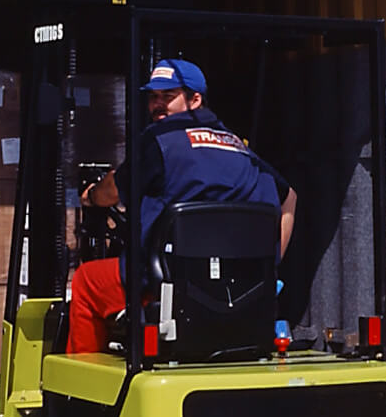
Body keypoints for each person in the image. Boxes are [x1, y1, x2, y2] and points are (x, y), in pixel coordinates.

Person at [67, 58, 297, 354]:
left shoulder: (160, 141)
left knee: (86, 282)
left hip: (167, 286)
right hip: (237, 290)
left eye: (168, 96)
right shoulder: (239, 148)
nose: (157, 105)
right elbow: (289, 198)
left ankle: (82, 391)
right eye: (153, 97)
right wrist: (268, 268)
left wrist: (91, 196)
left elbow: (113, 190)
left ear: (195, 99)